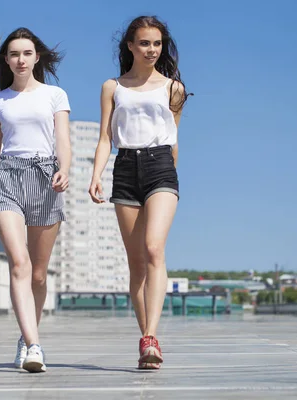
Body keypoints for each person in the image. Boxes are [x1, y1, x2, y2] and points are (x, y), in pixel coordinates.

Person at [88, 16, 190, 369]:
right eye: (145, 43)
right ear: (130, 45)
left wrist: (171, 175)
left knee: (153, 248)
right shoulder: (112, 87)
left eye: (157, 44)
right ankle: (146, 338)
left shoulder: (174, 88)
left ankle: (151, 337)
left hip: (161, 166)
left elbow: (174, 139)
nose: (151, 50)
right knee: (137, 266)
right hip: (126, 167)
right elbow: (105, 137)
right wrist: (96, 175)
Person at [0, 27, 71, 373]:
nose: (20, 59)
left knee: (39, 275)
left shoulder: (55, 95)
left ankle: (27, 336)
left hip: (45, 178)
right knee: (20, 264)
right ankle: (34, 346)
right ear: (6, 60)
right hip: (7, 179)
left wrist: (66, 169)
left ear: (36, 57)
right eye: (14, 54)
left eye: (26, 53)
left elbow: (63, 141)